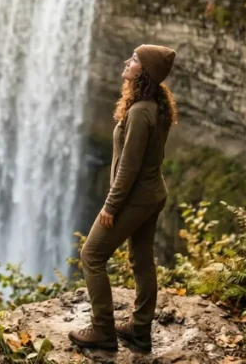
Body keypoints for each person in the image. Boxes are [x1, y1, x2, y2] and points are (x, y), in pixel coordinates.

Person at [68, 44, 178, 352]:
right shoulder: (154, 104)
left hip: (135, 198)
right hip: (152, 193)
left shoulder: (142, 112)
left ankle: (103, 330)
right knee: (142, 260)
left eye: (134, 60)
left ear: (144, 71)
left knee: (91, 256)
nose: (127, 62)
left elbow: (129, 166)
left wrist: (111, 206)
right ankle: (140, 330)